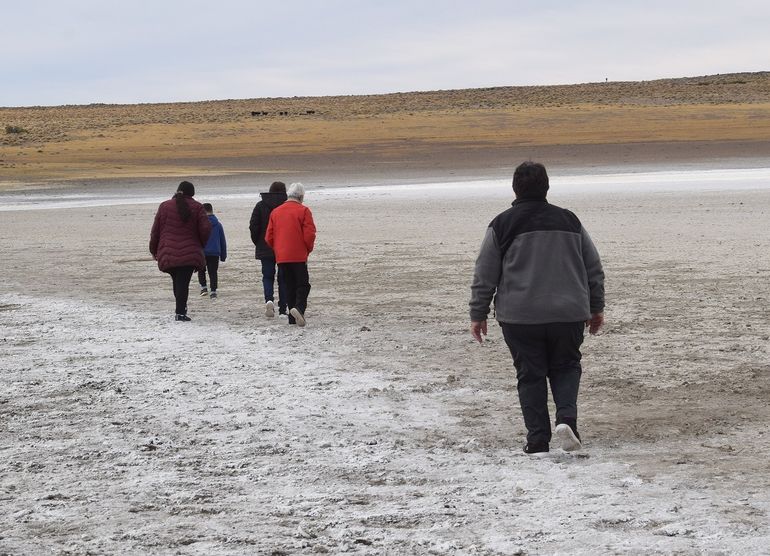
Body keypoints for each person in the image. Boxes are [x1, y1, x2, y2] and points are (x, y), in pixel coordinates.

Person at [469, 161, 605, 455]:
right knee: (566, 366)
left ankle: (538, 440)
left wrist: (478, 314)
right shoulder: (569, 221)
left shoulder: (502, 224)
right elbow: (593, 268)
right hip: (568, 313)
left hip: (520, 317)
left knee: (529, 374)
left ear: (515, 188)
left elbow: (485, 273)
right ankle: (566, 420)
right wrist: (596, 308)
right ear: (546, 187)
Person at [149, 181, 211, 321]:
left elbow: (155, 231)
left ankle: (180, 309)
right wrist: (200, 244)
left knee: (177, 282)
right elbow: (206, 229)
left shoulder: (164, 206)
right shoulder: (198, 207)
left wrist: (153, 249)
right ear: (192, 194)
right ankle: (180, 312)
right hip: (190, 252)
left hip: (168, 252)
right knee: (183, 282)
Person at [265, 182, 316, 327]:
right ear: (301, 196)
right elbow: (309, 234)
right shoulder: (304, 211)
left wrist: (278, 249)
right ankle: (299, 308)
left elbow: (269, 237)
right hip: (298, 255)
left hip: (282, 256)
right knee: (303, 285)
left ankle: (292, 318)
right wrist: (307, 250)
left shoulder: (276, 212)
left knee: (289, 285)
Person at [249, 181, 288, 317]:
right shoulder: (287, 206)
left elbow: (253, 226)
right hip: (284, 247)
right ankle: (283, 307)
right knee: (283, 278)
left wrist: (258, 242)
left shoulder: (260, 206)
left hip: (264, 246)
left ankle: (269, 300)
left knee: (267, 276)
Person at [197, 203, 227, 299]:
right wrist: (223, 255)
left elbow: (196, 239)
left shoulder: (199, 224)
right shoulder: (218, 224)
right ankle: (213, 291)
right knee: (213, 272)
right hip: (214, 252)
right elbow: (222, 241)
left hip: (202, 251)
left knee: (201, 270)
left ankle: (204, 287)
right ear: (212, 211)